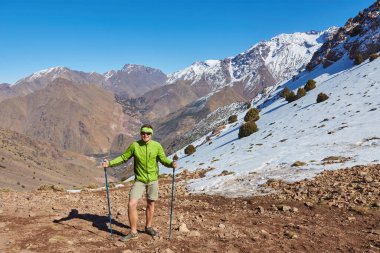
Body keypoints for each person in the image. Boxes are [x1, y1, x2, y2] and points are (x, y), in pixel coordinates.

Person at [101, 124, 177, 241]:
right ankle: (133, 232)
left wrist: (171, 164)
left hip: (153, 180)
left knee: (151, 203)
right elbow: (123, 157)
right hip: (139, 180)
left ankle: (148, 227)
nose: (145, 135)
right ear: (140, 133)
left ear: (151, 134)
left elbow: (163, 159)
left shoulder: (157, 146)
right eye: (143, 133)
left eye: (148, 133)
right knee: (131, 203)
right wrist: (109, 163)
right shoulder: (135, 146)